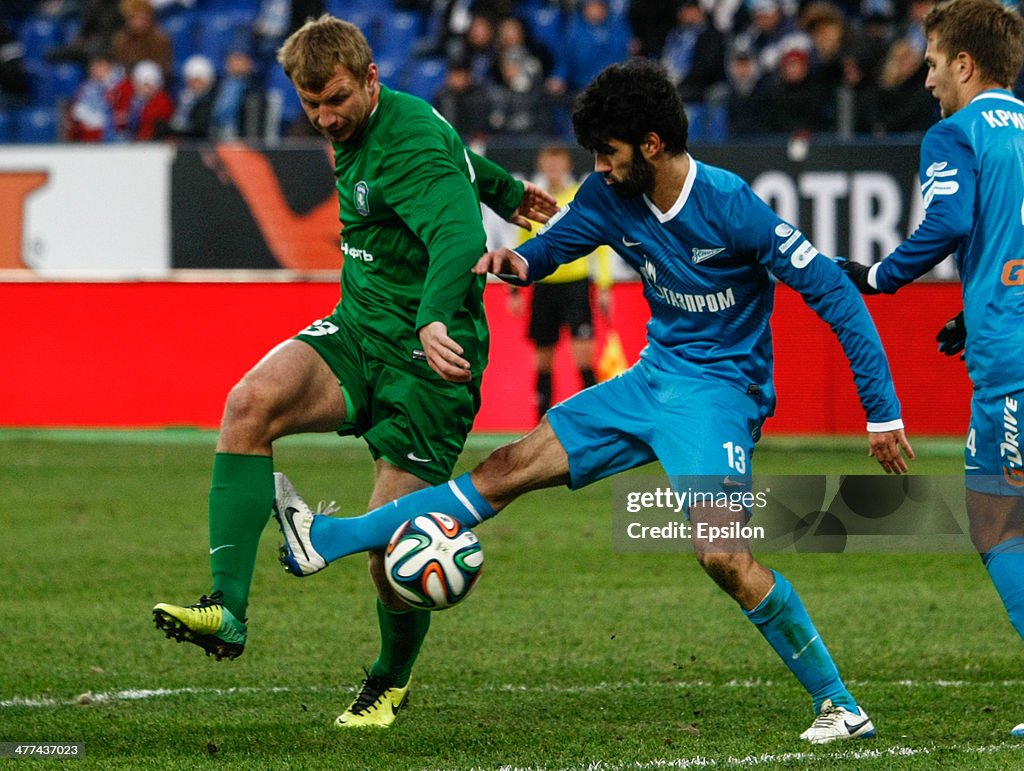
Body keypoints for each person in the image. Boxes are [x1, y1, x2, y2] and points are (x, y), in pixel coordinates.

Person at [273, 59, 915, 742]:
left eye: (608, 155)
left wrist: (882, 411)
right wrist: (517, 262)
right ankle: (327, 539)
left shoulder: (733, 206)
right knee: (505, 468)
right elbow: (555, 245)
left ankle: (841, 705)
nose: (599, 169)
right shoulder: (609, 196)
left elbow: (837, 295)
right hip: (650, 380)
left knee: (722, 555)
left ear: (652, 145)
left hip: (719, 393)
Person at [151, 13, 557, 731]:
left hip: (433, 358)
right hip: (362, 325)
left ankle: (388, 680)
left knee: (392, 555)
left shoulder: (405, 143)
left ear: (372, 79)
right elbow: (460, 166)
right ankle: (226, 608)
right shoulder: (387, 121)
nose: (325, 118)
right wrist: (503, 187)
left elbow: (456, 232)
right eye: (312, 106)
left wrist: (434, 315)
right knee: (250, 403)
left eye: (337, 99)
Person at [837, 0, 1024, 734]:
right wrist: (971, 311)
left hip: (1013, 364)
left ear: (966, 66)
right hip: (1006, 329)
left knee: (997, 523)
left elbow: (947, 223)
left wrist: (881, 276)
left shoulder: (955, 132)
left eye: (935, 62)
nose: (926, 79)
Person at [508, 143, 612, 420]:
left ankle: (594, 419)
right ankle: (542, 421)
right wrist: (514, 289)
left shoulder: (578, 196)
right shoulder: (535, 201)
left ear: (567, 167)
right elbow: (524, 240)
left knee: (584, 354)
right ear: (542, 167)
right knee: (543, 358)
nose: (554, 170)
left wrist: (604, 286)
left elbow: (600, 244)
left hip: (576, 285)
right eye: (549, 165)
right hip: (544, 287)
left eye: (558, 164)